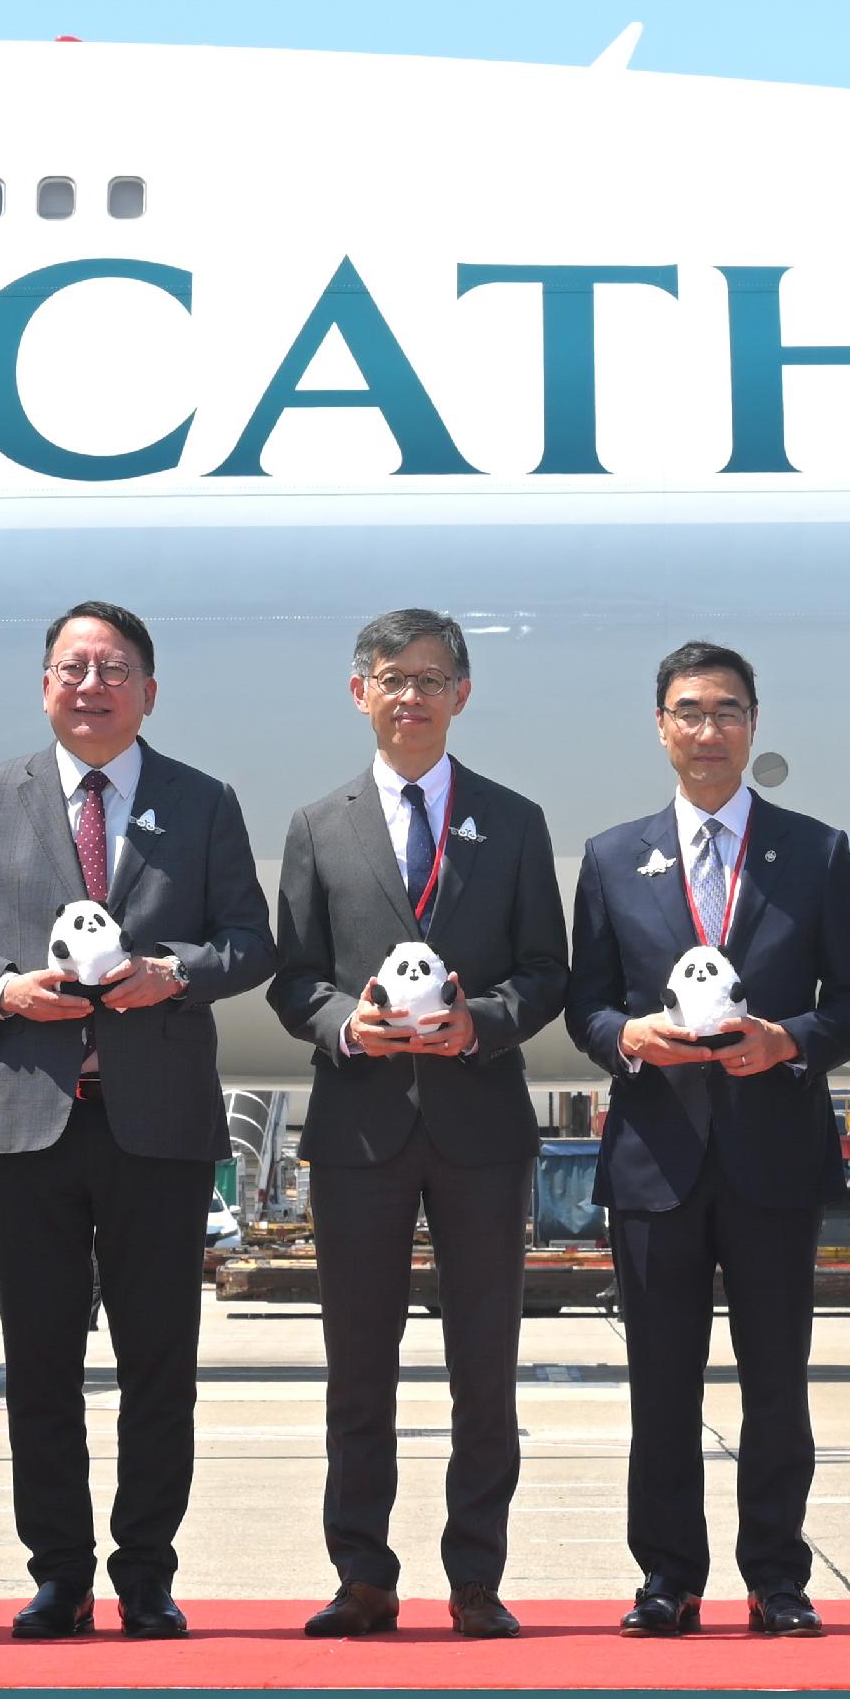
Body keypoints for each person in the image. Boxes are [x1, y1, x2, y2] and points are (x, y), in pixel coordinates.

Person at [0, 600, 276, 1640]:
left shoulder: (201, 801)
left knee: (157, 1366)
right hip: (32, 1120)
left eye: (113, 667)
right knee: (37, 1364)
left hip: (157, 1128)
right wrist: (3, 990)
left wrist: (172, 974)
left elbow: (250, 941)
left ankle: (145, 1572)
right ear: (45, 686)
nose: (91, 684)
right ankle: (59, 1572)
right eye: (72, 667)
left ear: (148, 691)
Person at [566, 642, 850, 1638]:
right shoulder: (614, 856)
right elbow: (585, 1001)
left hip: (772, 1154)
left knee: (776, 1383)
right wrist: (625, 1037)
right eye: (688, 711)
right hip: (657, 1158)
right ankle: (668, 1576)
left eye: (727, 711)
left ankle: (776, 1576)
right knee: (661, 1386)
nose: (707, 731)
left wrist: (791, 1040)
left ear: (754, 724)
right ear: (659, 725)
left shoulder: (814, 851)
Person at [267, 607, 568, 1640]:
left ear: (461, 695)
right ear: (360, 693)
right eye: (392, 678)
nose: (411, 696)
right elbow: (292, 975)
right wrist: (339, 1024)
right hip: (359, 1129)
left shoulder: (513, 820)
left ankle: (475, 1576)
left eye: (431, 679)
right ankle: (362, 1573)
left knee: (482, 1368)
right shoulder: (317, 824)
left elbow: (546, 972)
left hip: (479, 1123)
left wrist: (476, 1026)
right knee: (359, 1368)